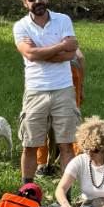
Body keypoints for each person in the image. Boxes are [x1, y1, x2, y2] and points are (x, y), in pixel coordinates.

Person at [13, 0, 80, 181]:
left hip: (64, 89)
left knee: (66, 144)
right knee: (30, 144)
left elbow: (72, 53)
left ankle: (66, 193)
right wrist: (60, 46)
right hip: (36, 90)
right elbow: (30, 54)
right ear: (25, 3)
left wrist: (40, 52)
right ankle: (27, 190)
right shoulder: (21, 26)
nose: (37, 1)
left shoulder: (63, 20)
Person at [36, 47, 85, 176]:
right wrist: (81, 88)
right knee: (70, 122)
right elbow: (80, 57)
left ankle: (42, 163)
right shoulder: (65, 33)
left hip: (45, 76)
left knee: (43, 120)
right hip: (71, 73)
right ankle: (78, 157)